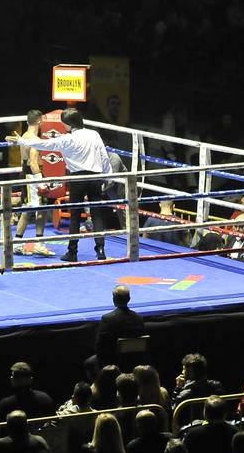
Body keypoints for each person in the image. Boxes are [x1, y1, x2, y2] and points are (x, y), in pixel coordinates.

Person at [8, 108, 115, 262]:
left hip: (77, 178)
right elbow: (104, 156)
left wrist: (21, 141)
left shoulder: (67, 139)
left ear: (69, 124)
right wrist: (109, 176)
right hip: (95, 177)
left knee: (75, 216)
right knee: (97, 214)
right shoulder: (94, 134)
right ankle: (101, 250)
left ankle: (72, 252)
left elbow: (44, 144)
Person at [90, 285, 145, 373]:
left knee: (89, 363)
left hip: (113, 361)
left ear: (114, 300)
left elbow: (99, 345)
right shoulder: (138, 318)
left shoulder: (107, 319)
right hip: (135, 360)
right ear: (129, 299)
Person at [13, 110, 47, 242]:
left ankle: (17, 241)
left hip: (26, 173)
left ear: (27, 121)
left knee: (29, 208)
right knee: (37, 209)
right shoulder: (35, 140)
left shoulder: (24, 136)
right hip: (33, 175)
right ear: (39, 121)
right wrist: (41, 182)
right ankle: (39, 243)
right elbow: (33, 163)